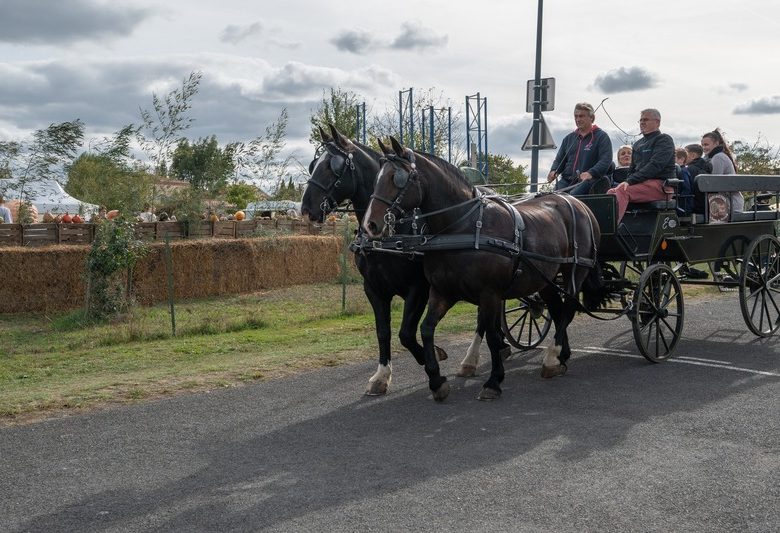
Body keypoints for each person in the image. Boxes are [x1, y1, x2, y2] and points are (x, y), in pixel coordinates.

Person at [606, 108, 676, 223]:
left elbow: (655, 166)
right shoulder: (638, 144)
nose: (642, 122)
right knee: (611, 192)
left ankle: (610, 228)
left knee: (623, 191)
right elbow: (632, 169)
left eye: (646, 119)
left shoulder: (664, 140)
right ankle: (608, 227)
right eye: (641, 120)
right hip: (641, 184)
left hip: (661, 186)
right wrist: (628, 180)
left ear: (657, 122)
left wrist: (629, 182)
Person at [547, 102, 613, 195]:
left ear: (592, 118)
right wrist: (554, 170)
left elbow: (606, 160)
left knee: (571, 199)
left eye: (581, 116)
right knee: (553, 199)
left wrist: (591, 173)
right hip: (566, 180)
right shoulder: (568, 139)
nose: (578, 119)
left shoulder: (601, 137)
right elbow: (559, 160)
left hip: (588, 180)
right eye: (576, 116)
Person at [701, 129, 742, 212]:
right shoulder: (710, 157)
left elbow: (714, 182)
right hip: (721, 201)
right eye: (702, 145)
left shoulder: (718, 157)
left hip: (729, 203)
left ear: (716, 143)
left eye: (706, 145)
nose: (704, 148)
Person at [685, 144, 713, 215]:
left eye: (685, 153)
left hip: (694, 208)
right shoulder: (706, 169)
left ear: (693, 156)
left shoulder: (689, 170)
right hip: (706, 208)